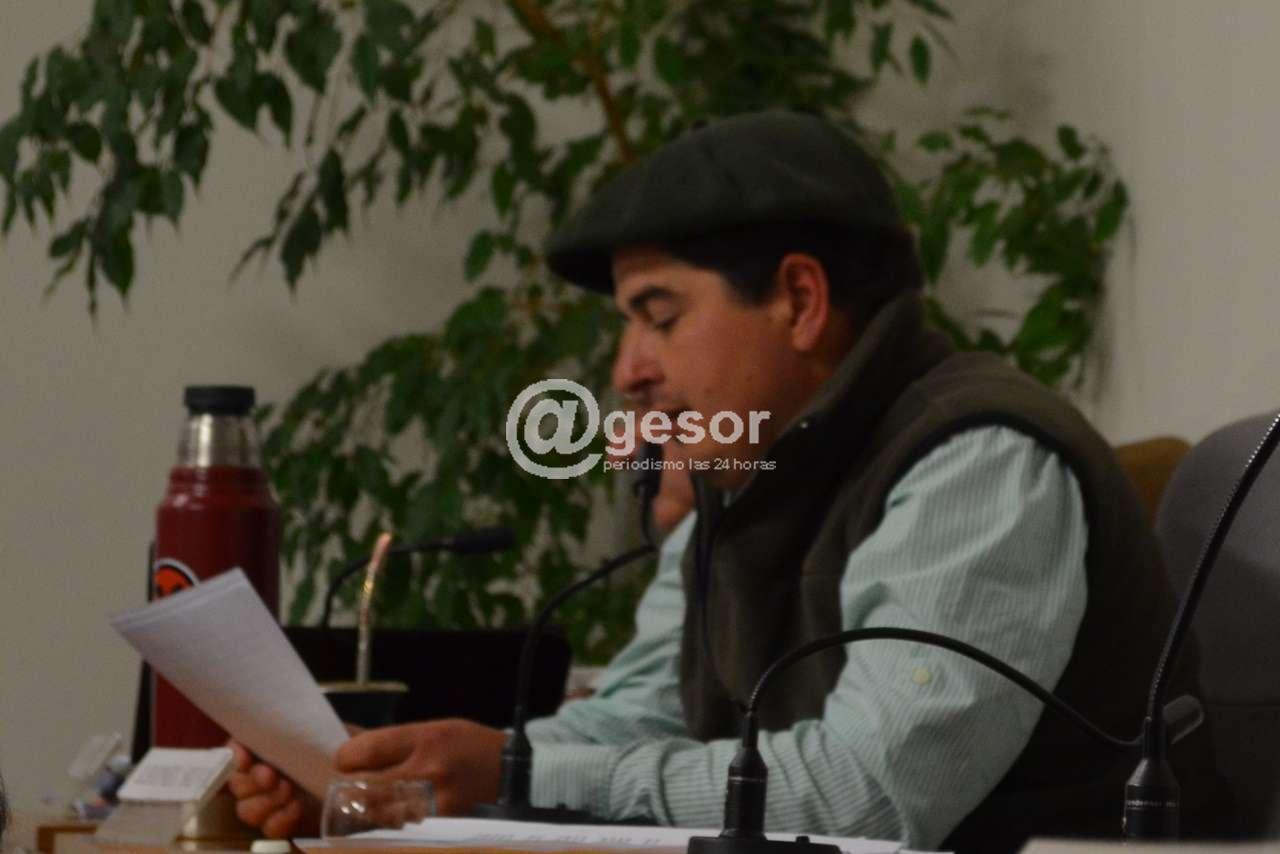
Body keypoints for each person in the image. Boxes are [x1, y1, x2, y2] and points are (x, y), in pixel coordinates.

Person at [230, 111, 1221, 851]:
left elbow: (869, 798)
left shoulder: (979, 460)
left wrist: (514, 771)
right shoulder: (744, 472)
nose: (627, 370)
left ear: (799, 299)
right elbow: (636, 717)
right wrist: (406, 776)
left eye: (659, 317)